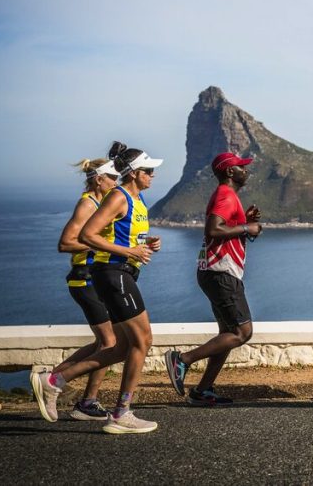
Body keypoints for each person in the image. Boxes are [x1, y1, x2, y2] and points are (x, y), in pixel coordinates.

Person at [31, 142, 163, 434]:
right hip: (112, 274)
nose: (153, 175)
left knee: (120, 347)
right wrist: (129, 253)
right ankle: (121, 413)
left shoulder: (137, 200)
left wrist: (145, 245)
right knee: (143, 341)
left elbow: (124, 237)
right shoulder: (118, 196)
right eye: (148, 170)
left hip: (122, 273)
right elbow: (88, 235)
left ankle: (53, 382)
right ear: (133, 173)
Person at [164, 152, 263, 406]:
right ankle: (182, 360)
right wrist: (246, 228)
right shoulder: (225, 195)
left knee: (227, 335)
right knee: (242, 332)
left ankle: (203, 390)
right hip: (221, 273)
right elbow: (213, 229)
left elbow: (224, 229)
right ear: (230, 172)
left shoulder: (229, 196)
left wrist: (245, 222)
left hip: (216, 272)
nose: (246, 171)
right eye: (241, 167)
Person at [51, 157, 121, 420]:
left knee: (104, 341)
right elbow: (65, 243)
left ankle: (54, 383)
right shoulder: (87, 205)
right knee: (110, 342)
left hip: (96, 278)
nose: (116, 182)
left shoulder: (102, 203)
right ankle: (83, 399)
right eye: (112, 178)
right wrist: (98, 244)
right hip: (84, 279)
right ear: (98, 179)